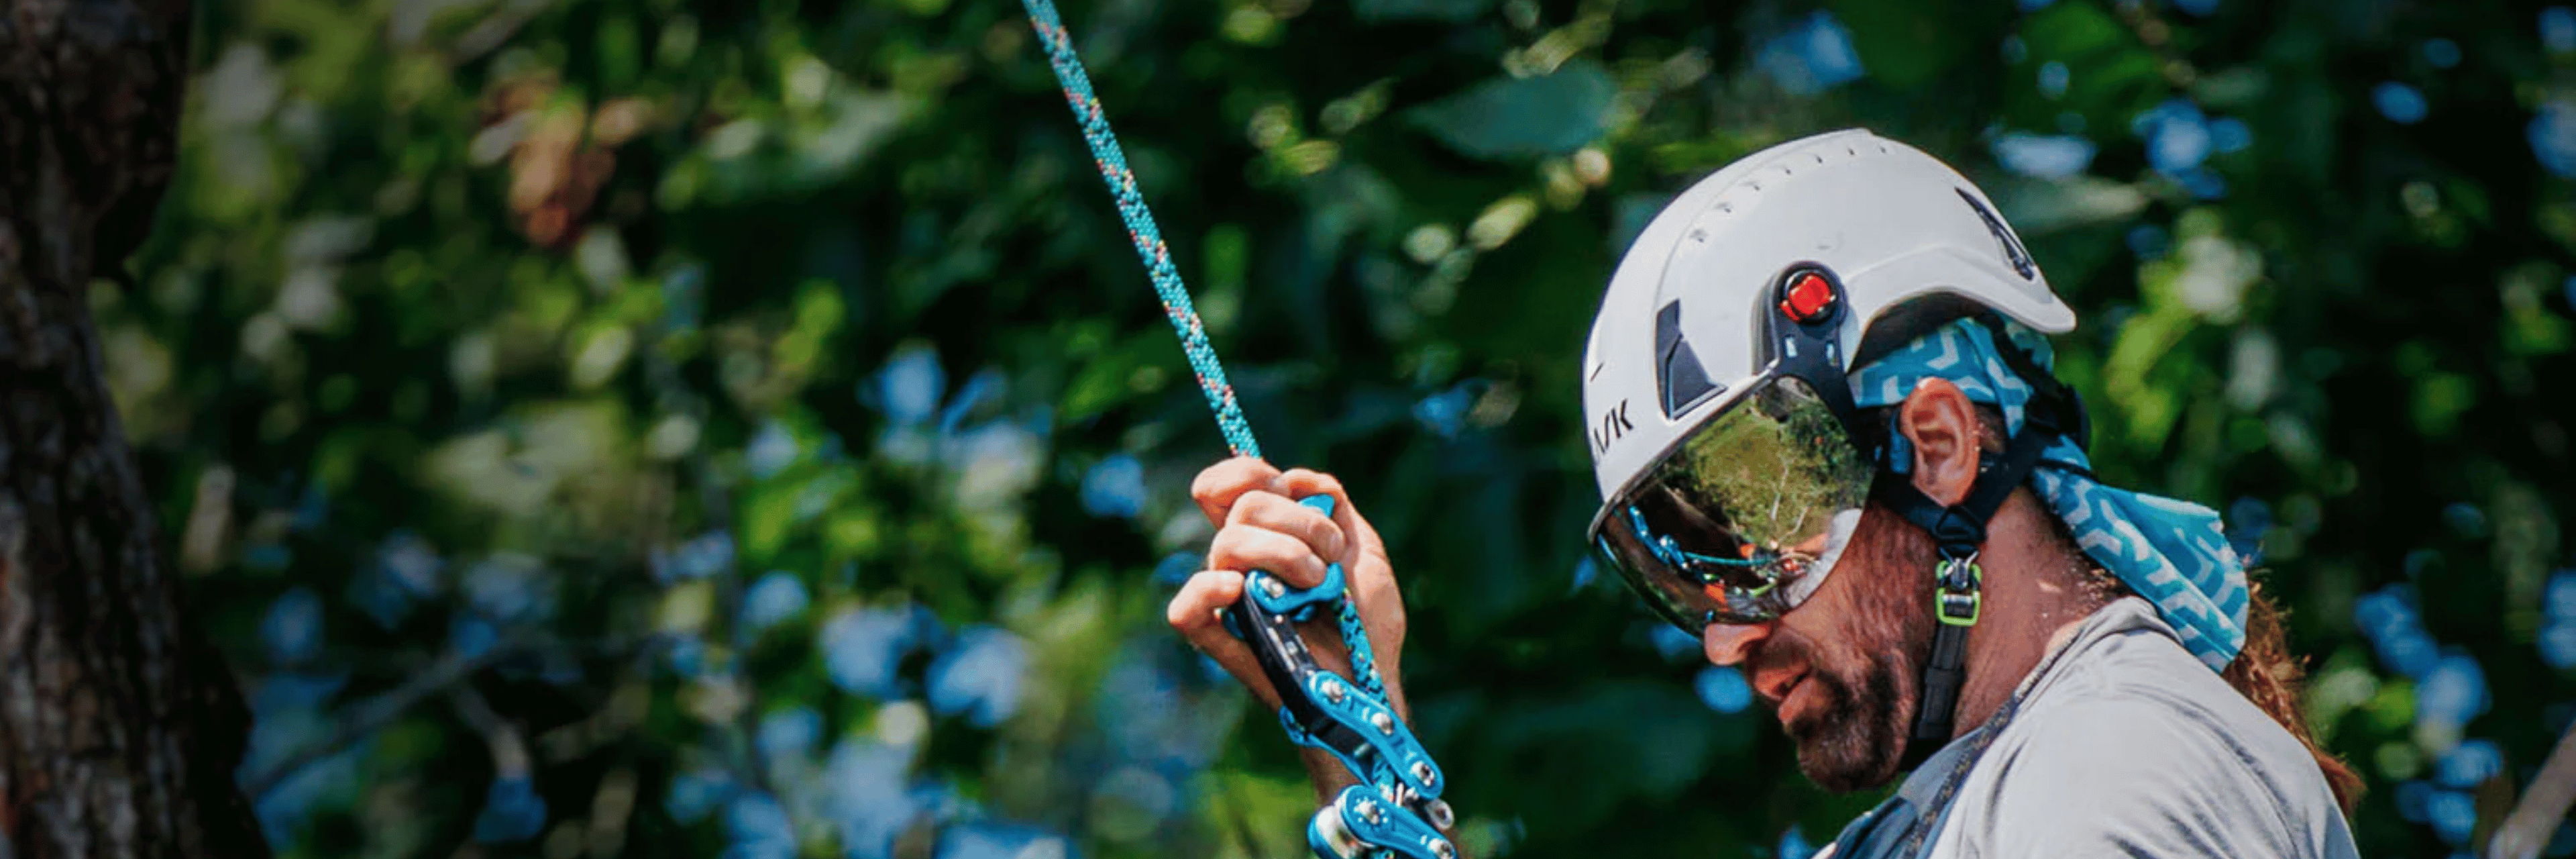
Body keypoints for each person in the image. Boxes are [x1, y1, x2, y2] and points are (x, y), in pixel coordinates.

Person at [1165, 129, 2362, 858]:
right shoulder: (1974, 810)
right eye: (1677, 568)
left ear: (1938, 447)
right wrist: (1361, 734)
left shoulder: (2113, 761)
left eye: (1753, 534)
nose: (1725, 636)